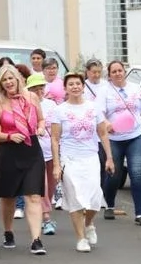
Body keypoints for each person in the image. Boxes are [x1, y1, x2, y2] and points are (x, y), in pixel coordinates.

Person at [49, 73, 114, 252]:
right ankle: (81, 238)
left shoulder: (93, 108)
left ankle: (89, 223)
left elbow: (102, 133)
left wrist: (109, 157)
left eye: (78, 83)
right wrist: (56, 164)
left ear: (83, 87)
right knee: (75, 198)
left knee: (94, 198)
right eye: (71, 84)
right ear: (66, 88)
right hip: (69, 159)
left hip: (91, 157)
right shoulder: (60, 110)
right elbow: (55, 139)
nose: (75, 87)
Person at [0, 65, 49, 255]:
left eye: (11, 78)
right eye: (5, 80)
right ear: (1, 83)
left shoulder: (31, 97)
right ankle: (8, 231)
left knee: (33, 195)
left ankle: (36, 239)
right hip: (9, 151)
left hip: (31, 149)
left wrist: (40, 128)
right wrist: (8, 136)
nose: (9, 82)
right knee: (9, 197)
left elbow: (41, 119)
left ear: (18, 79)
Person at [99, 60, 141, 226]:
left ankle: (140, 214)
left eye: (120, 70)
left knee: (137, 174)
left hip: (136, 137)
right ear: (109, 75)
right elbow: (99, 115)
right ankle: (109, 205)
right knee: (113, 175)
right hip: (114, 139)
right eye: (114, 72)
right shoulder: (105, 91)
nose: (118, 73)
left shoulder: (135, 89)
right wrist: (106, 123)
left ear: (124, 71)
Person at [25, 73, 57, 236]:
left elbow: (58, 129)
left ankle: (44, 211)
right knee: (42, 186)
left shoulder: (52, 105)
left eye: (41, 88)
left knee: (51, 186)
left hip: (51, 151)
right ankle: (45, 217)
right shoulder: (25, 104)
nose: (39, 92)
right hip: (33, 153)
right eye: (35, 89)